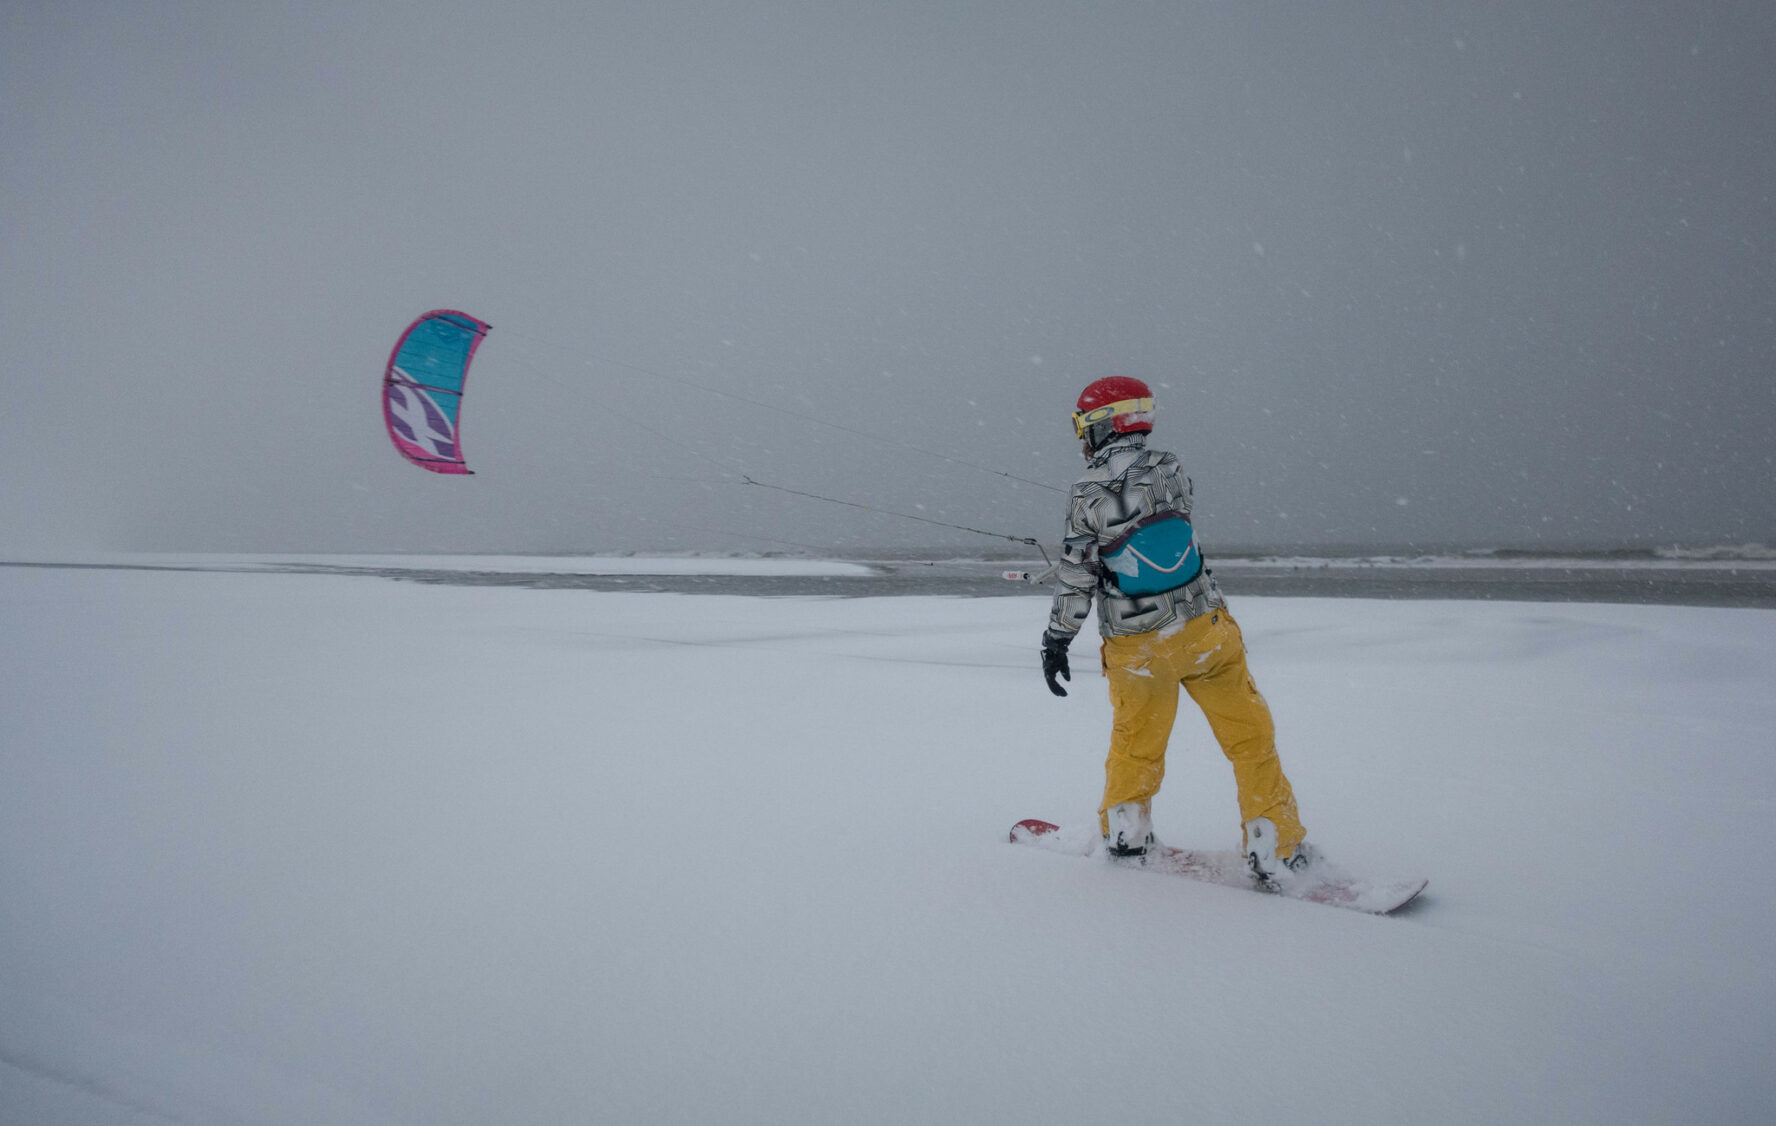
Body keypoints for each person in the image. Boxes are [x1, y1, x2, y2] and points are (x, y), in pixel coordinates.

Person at [1039, 375, 1316, 884]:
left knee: (1135, 746)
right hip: (1205, 633)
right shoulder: (1172, 468)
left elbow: (1078, 575)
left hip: (1137, 647)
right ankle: (1274, 843)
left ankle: (1126, 833)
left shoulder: (1083, 495)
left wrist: (1057, 638)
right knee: (1251, 740)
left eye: (1083, 427)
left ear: (1102, 426)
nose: (1081, 439)